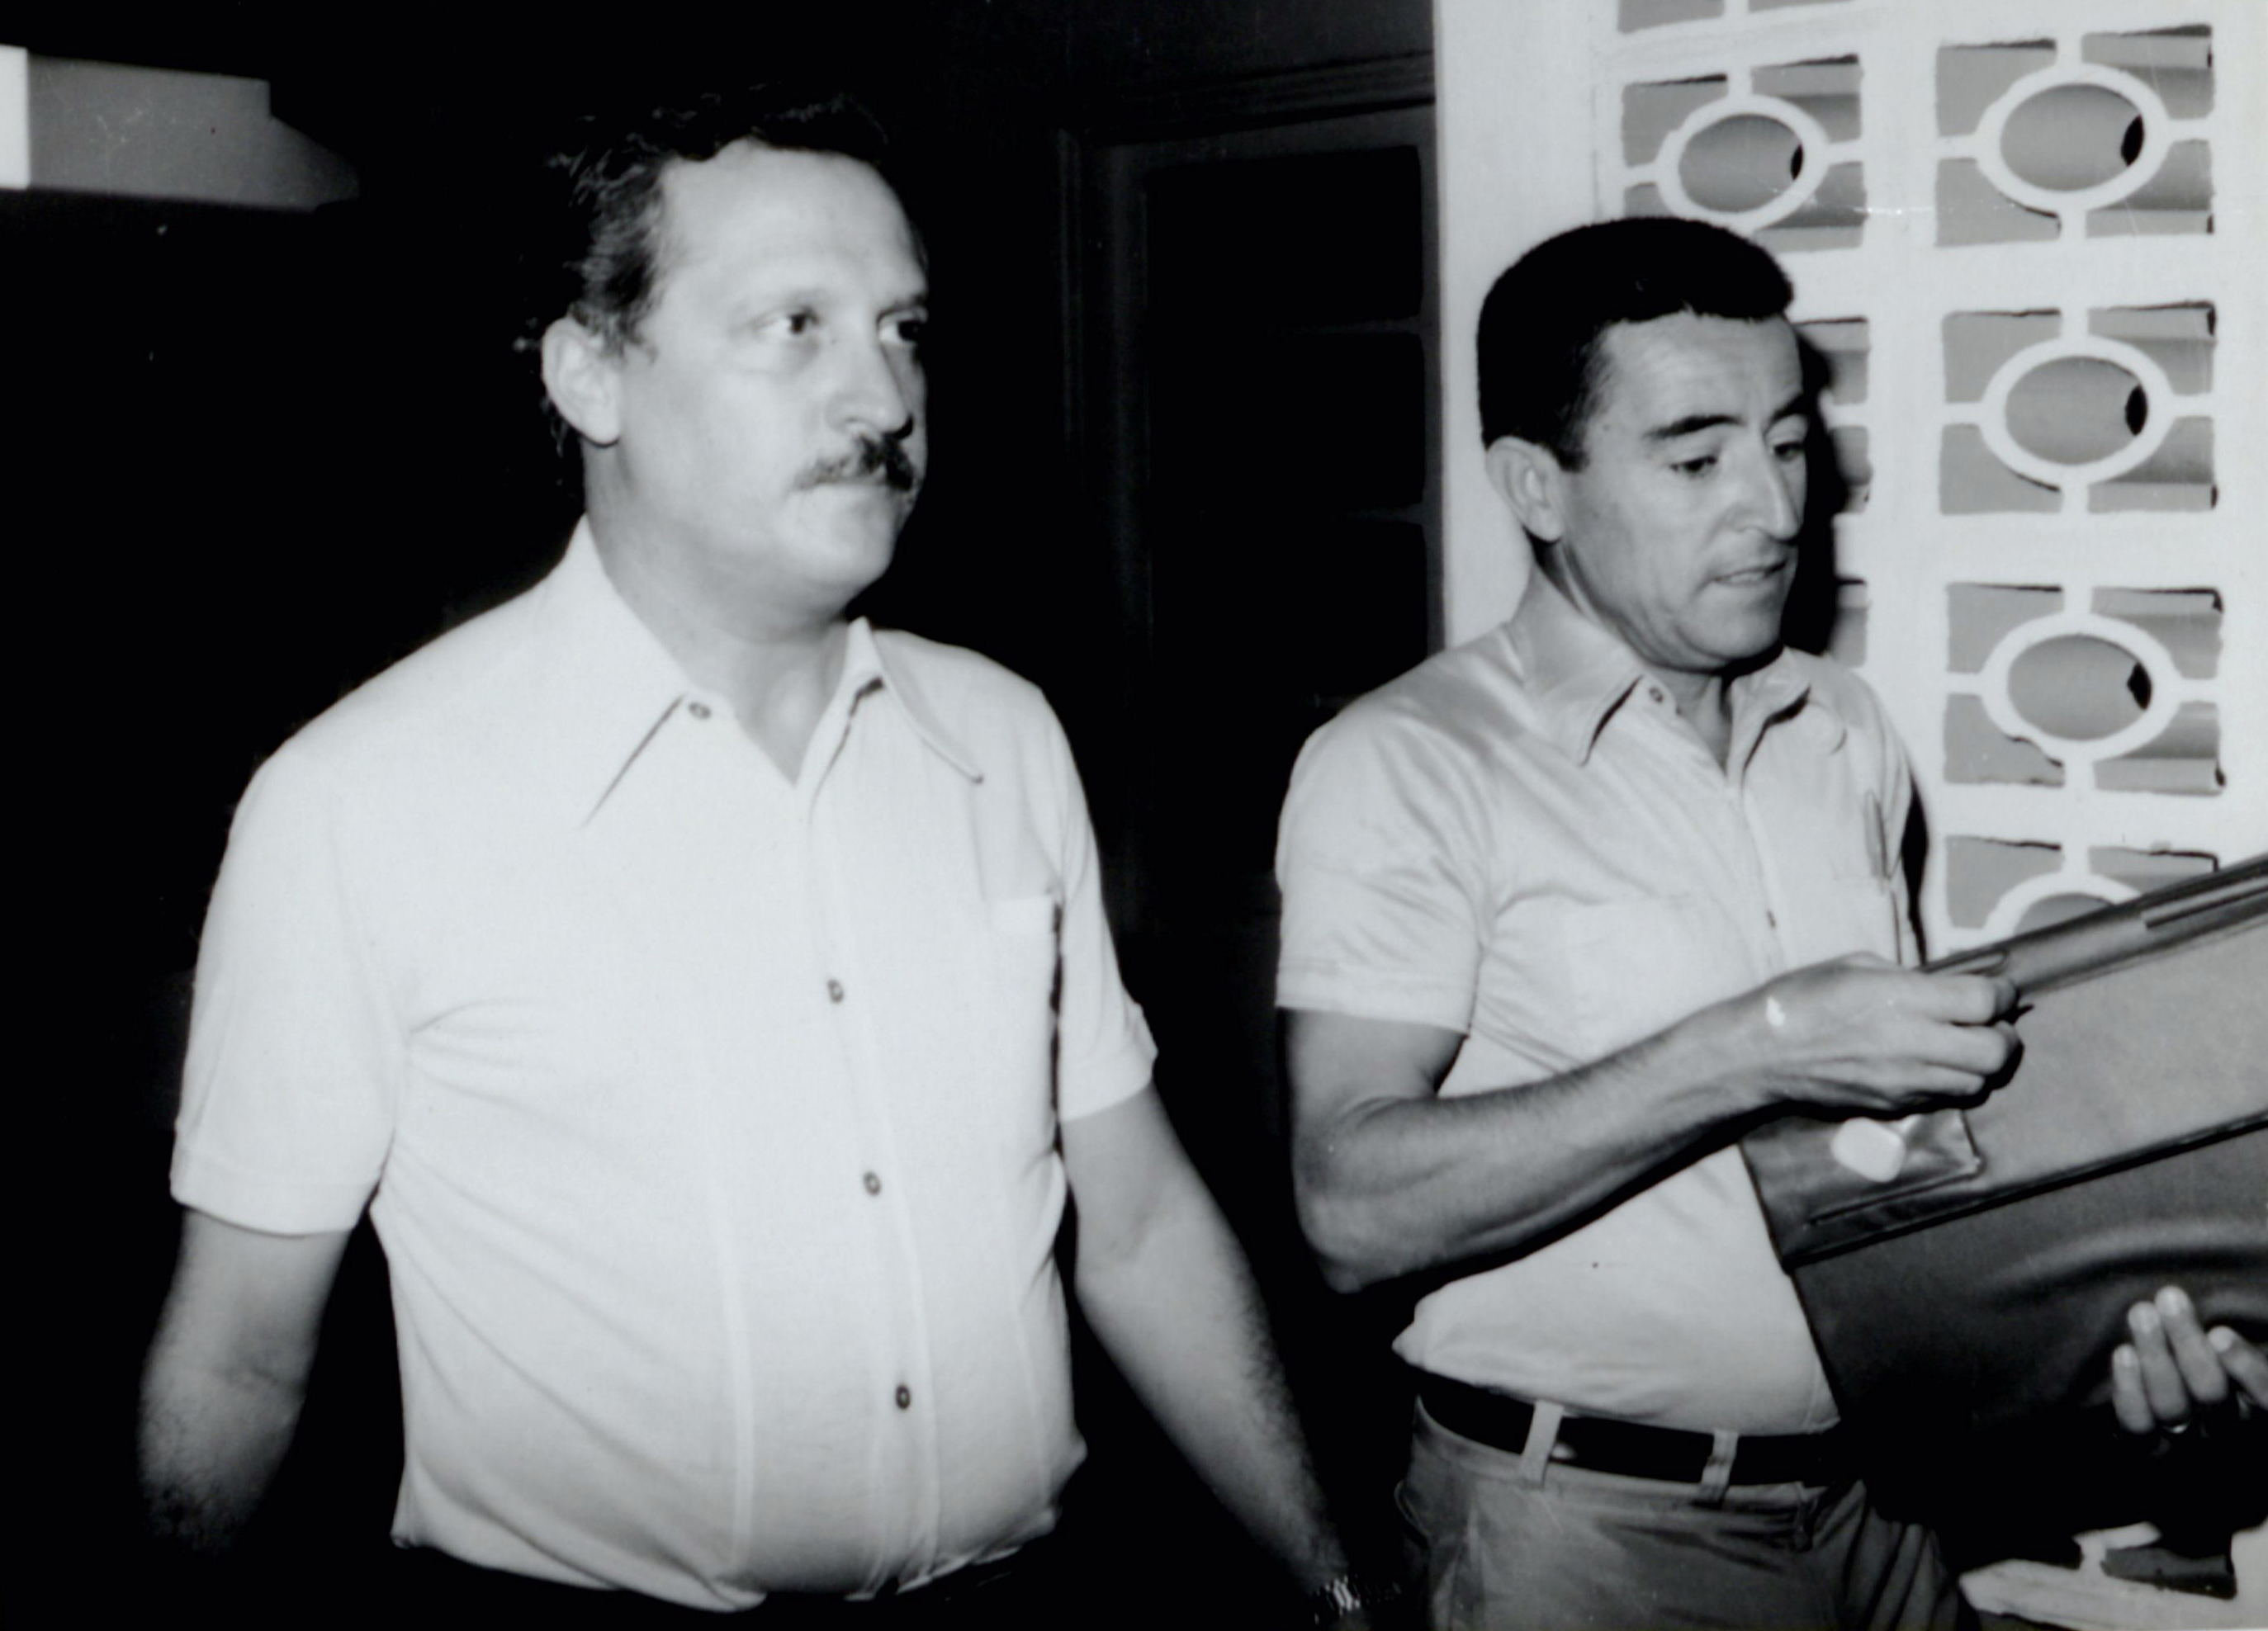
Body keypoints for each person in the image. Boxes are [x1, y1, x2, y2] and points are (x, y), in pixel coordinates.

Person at [139, 87, 1393, 1629]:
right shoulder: (359, 803)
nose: (883, 396)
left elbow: (1136, 1231)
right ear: (591, 373)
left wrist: (1339, 1587)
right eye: (794, 326)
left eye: (904, 330)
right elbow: (241, 1360)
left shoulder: (1001, 737)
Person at [1272, 216, 2265, 1629]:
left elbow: (1892, 1169)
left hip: (1887, 1519)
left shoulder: (1842, 726)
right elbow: (1347, 1210)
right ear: (1536, 487)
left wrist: (2119, 1342)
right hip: (1586, 1543)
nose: (1776, 508)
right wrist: (1753, 1049)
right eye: (1696, 461)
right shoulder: (1407, 761)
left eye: (1788, 444)